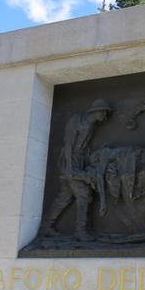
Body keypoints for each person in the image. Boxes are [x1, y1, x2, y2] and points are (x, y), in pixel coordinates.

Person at [40, 99, 112, 241]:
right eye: (103, 112)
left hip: (79, 161)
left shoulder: (92, 125)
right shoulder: (77, 120)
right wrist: (69, 168)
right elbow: (68, 144)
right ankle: (80, 231)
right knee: (83, 195)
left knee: (65, 197)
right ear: (96, 111)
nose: (105, 115)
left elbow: (84, 147)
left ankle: (46, 226)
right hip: (70, 160)